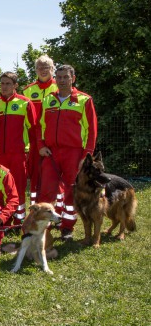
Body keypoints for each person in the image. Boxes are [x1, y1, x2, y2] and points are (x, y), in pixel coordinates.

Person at [37, 64, 97, 240]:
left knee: (71, 191)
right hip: (51, 153)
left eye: (66, 77)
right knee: (46, 191)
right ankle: (44, 225)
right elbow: (40, 126)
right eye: (59, 77)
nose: (62, 80)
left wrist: (87, 155)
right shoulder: (47, 100)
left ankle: (67, 227)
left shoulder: (84, 100)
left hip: (74, 153)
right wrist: (41, 145)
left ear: (73, 79)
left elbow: (92, 130)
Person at [0, 72, 37, 226]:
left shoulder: (25, 103)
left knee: (18, 187)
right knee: (0, 186)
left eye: (8, 83)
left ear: (15, 85)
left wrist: (31, 151)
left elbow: (33, 129)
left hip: (18, 153)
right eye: (2, 83)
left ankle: (19, 219)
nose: (4, 87)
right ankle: (4, 218)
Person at [23, 55, 58, 206]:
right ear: (35, 70)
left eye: (46, 67)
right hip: (33, 138)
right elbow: (24, 120)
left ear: (52, 69)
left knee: (55, 174)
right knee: (36, 175)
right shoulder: (28, 91)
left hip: (54, 137)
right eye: (40, 67)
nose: (43, 70)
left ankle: (56, 209)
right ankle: (35, 208)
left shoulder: (59, 87)